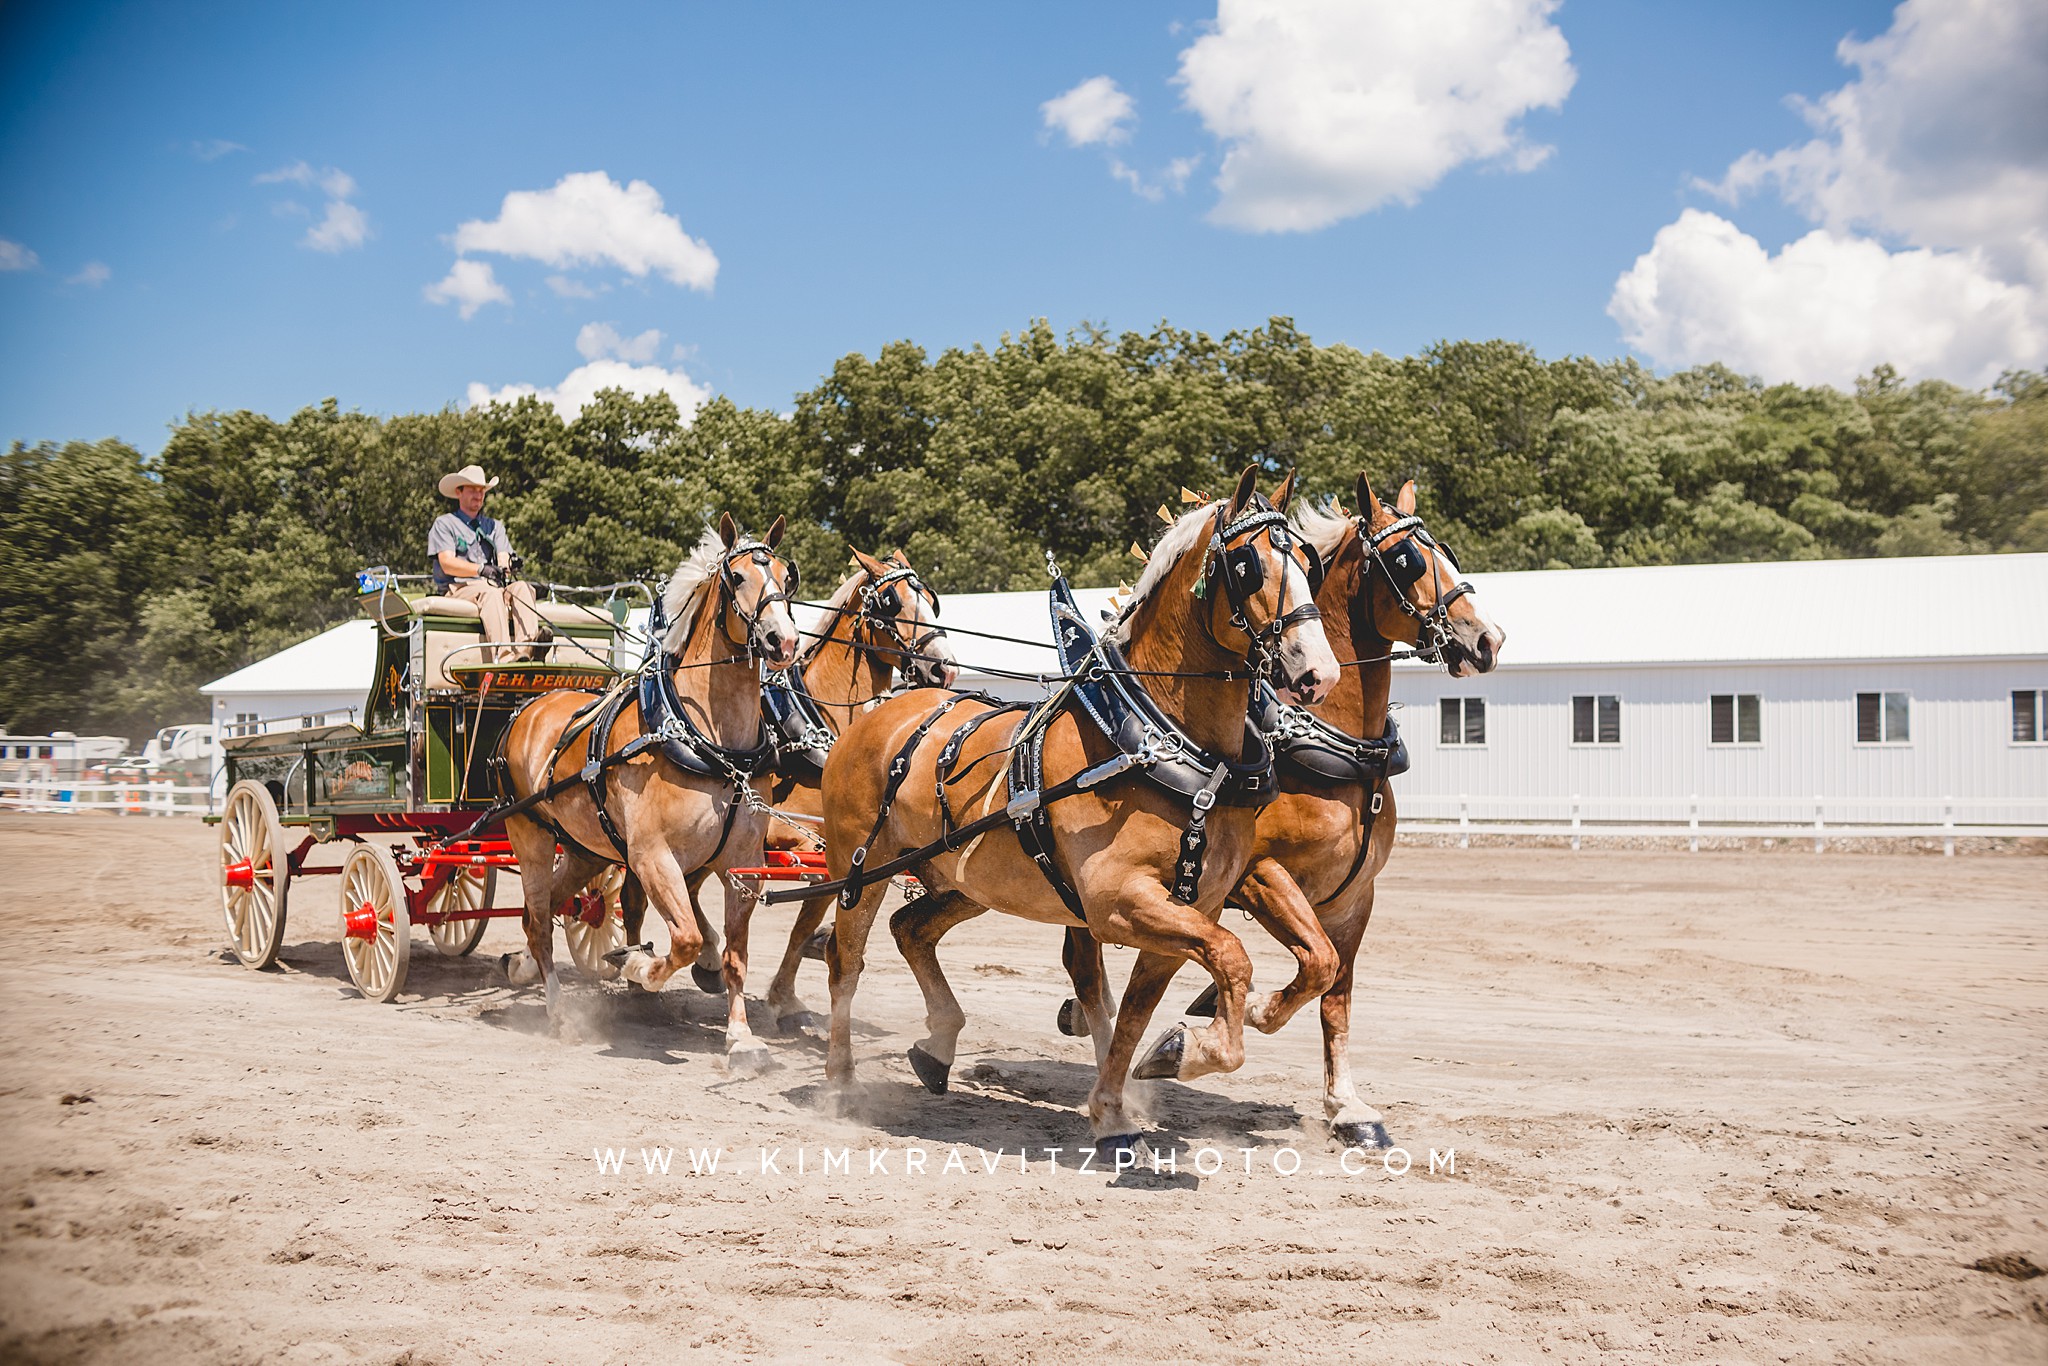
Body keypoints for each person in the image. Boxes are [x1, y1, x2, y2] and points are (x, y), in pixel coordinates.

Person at [428, 464, 546, 663]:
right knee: (490, 593)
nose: (478, 495)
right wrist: (480, 570)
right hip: (458, 588)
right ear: (459, 492)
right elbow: (447, 563)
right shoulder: (445, 523)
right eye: (473, 489)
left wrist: (509, 564)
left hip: (492, 586)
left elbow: (502, 556)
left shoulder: (494, 526)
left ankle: (528, 650)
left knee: (522, 588)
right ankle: (504, 657)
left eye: (481, 490)